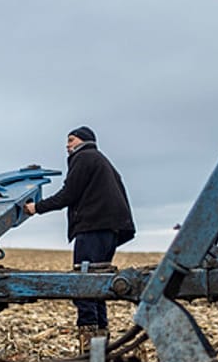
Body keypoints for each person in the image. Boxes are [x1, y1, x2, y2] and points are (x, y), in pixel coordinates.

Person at [24, 126, 135, 343]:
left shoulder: (83, 158)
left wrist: (37, 208)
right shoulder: (102, 161)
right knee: (97, 282)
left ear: (83, 141)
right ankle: (101, 336)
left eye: (71, 140)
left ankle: (89, 337)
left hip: (92, 228)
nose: (67, 145)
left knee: (83, 281)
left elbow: (68, 194)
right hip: (110, 230)